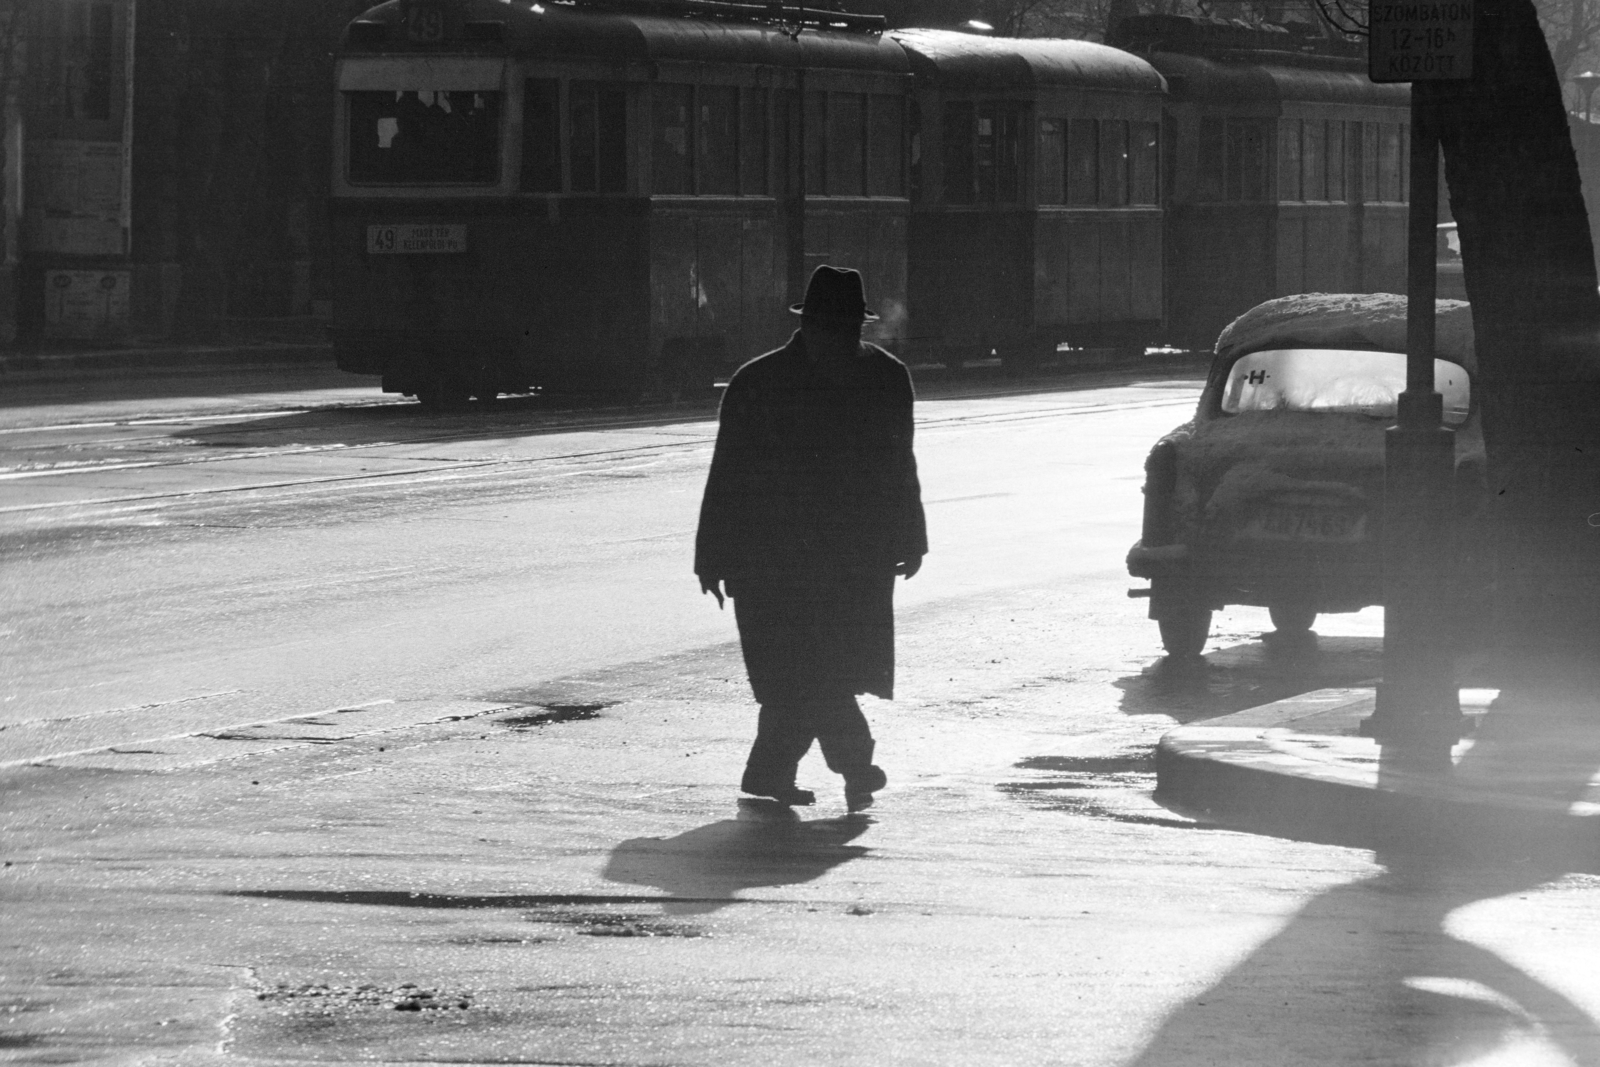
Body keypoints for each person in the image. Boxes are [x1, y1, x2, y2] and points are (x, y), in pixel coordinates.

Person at [695, 265, 927, 812]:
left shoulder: (771, 378)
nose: (840, 336)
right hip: (779, 559)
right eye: (833, 325)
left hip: (842, 556)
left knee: (805, 673)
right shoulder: (774, 380)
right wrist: (712, 558)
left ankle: (770, 773)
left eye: (846, 326)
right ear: (814, 323)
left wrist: (911, 537)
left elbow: (900, 465)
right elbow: (728, 473)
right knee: (815, 671)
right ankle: (855, 765)